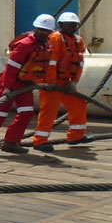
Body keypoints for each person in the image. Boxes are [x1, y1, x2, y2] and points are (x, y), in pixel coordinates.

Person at [0, 14, 55, 157]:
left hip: (25, 84)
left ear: (51, 32)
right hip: (10, 82)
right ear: (36, 28)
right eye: (40, 29)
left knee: (27, 113)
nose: (43, 32)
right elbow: (11, 67)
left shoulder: (45, 46)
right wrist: (7, 87)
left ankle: (11, 142)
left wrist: (42, 83)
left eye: (46, 31)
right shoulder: (24, 45)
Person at [32, 12, 88, 151]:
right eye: (70, 24)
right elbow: (51, 62)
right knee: (50, 109)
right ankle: (40, 141)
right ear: (61, 25)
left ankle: (76, 136)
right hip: (51, 82)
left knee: (78, 104)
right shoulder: (55, 38)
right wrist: (50, 82)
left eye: (75, 25)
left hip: (66, 82)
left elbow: (79, 63)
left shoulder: (79, 41)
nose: (73, 27)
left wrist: (74, 82)